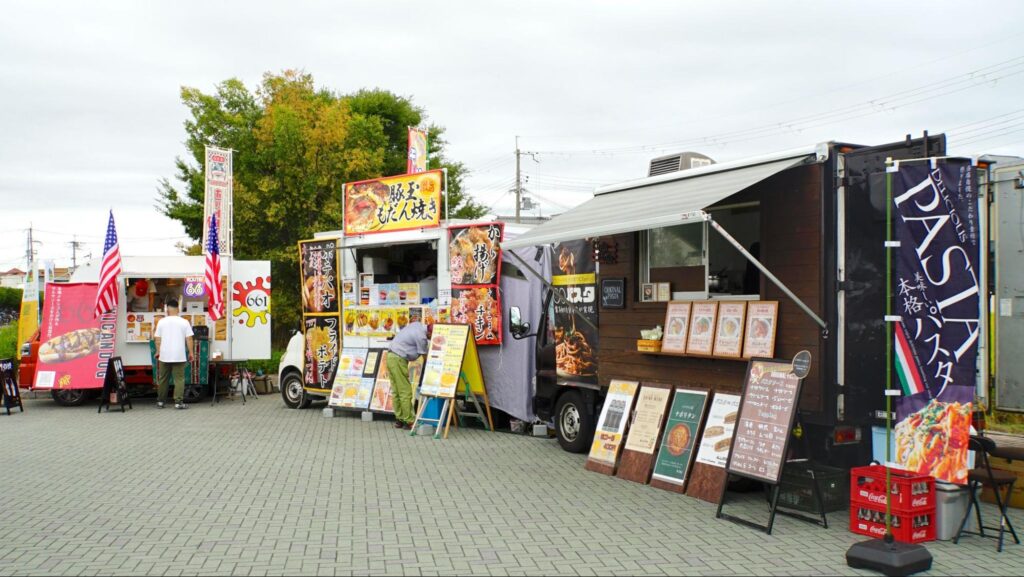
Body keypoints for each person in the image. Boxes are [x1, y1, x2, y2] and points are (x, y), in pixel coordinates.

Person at [386, 316, 429, 429]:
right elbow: (424, 355)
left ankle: (399, 419)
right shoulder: (422, 336)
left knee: (396, 390)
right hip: (399, 359)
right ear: (429, 334)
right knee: (405, 390)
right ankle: (409, 421)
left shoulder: (417, 324)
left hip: (390, 356)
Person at [154, 298, 194, 409]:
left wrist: (158, 351)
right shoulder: (184, 322)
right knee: (179, 379)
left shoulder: (161, 321)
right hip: (179, 355)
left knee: (163, 379)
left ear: (167, 309)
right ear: (178, 309)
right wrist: (191, 353)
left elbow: (157, 339)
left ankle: (161, 402)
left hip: (164, 355)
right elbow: (189, 339)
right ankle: (178, 402)